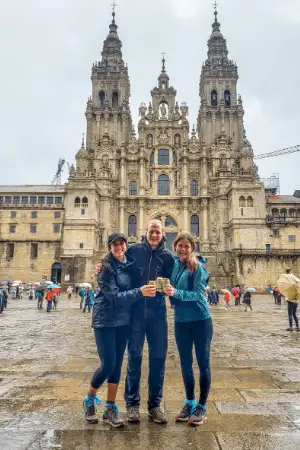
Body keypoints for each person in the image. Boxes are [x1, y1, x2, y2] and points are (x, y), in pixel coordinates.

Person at [83, 232, 156, 427]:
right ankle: (89, 400)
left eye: (121, 244)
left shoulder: (130, 263)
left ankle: (110, 408)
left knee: (116, 367)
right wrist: (139, 292)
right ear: (109, 248)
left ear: (126, 246)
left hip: (123, 321)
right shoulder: (105, 269)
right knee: (107, 364)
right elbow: (114, 298)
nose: (118, 247)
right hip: (105, 320)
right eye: (114, 245)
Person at [124, 220, 174, 424]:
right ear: (146, 233)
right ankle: (132, 405)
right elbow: (119, 268)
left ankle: (155, 405)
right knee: (134, 358)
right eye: (151, 231)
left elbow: (177, 279)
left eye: (158, 232)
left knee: (158, 360)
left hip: (157, 314)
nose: (154, 235)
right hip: (135, 313)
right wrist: (103, 263)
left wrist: (171, 290)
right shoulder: (133, 251)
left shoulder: (169, 257)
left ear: (163, 235)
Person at [164, 232, 213, 426]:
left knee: (203, 363)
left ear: (192, 248)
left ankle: (201, 406)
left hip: (201, 320)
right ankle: (189, 401)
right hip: (181, 321)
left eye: (186, 246)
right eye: (179, 245)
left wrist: (176, 292)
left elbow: (199, 295)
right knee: (185, 363)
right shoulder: (173, 266)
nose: (183, 249)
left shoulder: (198, 268)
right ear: (174, 246)